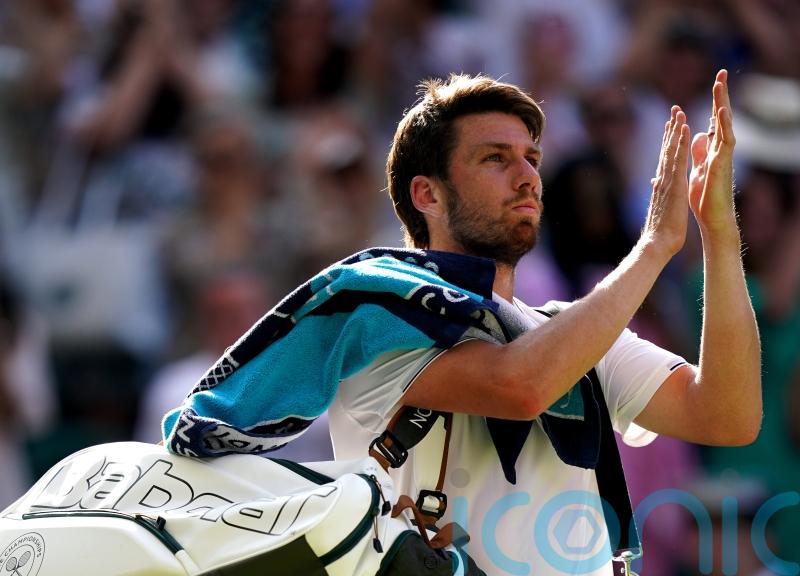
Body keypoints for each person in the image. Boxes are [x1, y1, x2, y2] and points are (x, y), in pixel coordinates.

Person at [163, 70, 761, 575]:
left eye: (531, 158)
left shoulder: (574, 333)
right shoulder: (380, 314)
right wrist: (652, 248)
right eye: (495, 158)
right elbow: (520, 385)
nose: (527, 176)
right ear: (427, 194)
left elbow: (726, 415)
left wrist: (718, 233)